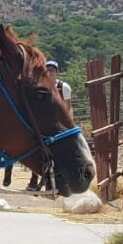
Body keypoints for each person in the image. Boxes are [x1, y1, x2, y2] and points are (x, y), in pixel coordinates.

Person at [27, 60, 74, 191]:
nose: (50, 72)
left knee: (58, 154)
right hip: (43, 124)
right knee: (38, 152)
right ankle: (34, 180)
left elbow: (67, 108)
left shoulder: (63, 87)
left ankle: (54, 182)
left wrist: (68, 126)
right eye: (47, 70)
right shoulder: (40, 87)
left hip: (57, 126)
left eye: (52, 70)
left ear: (56, 72)